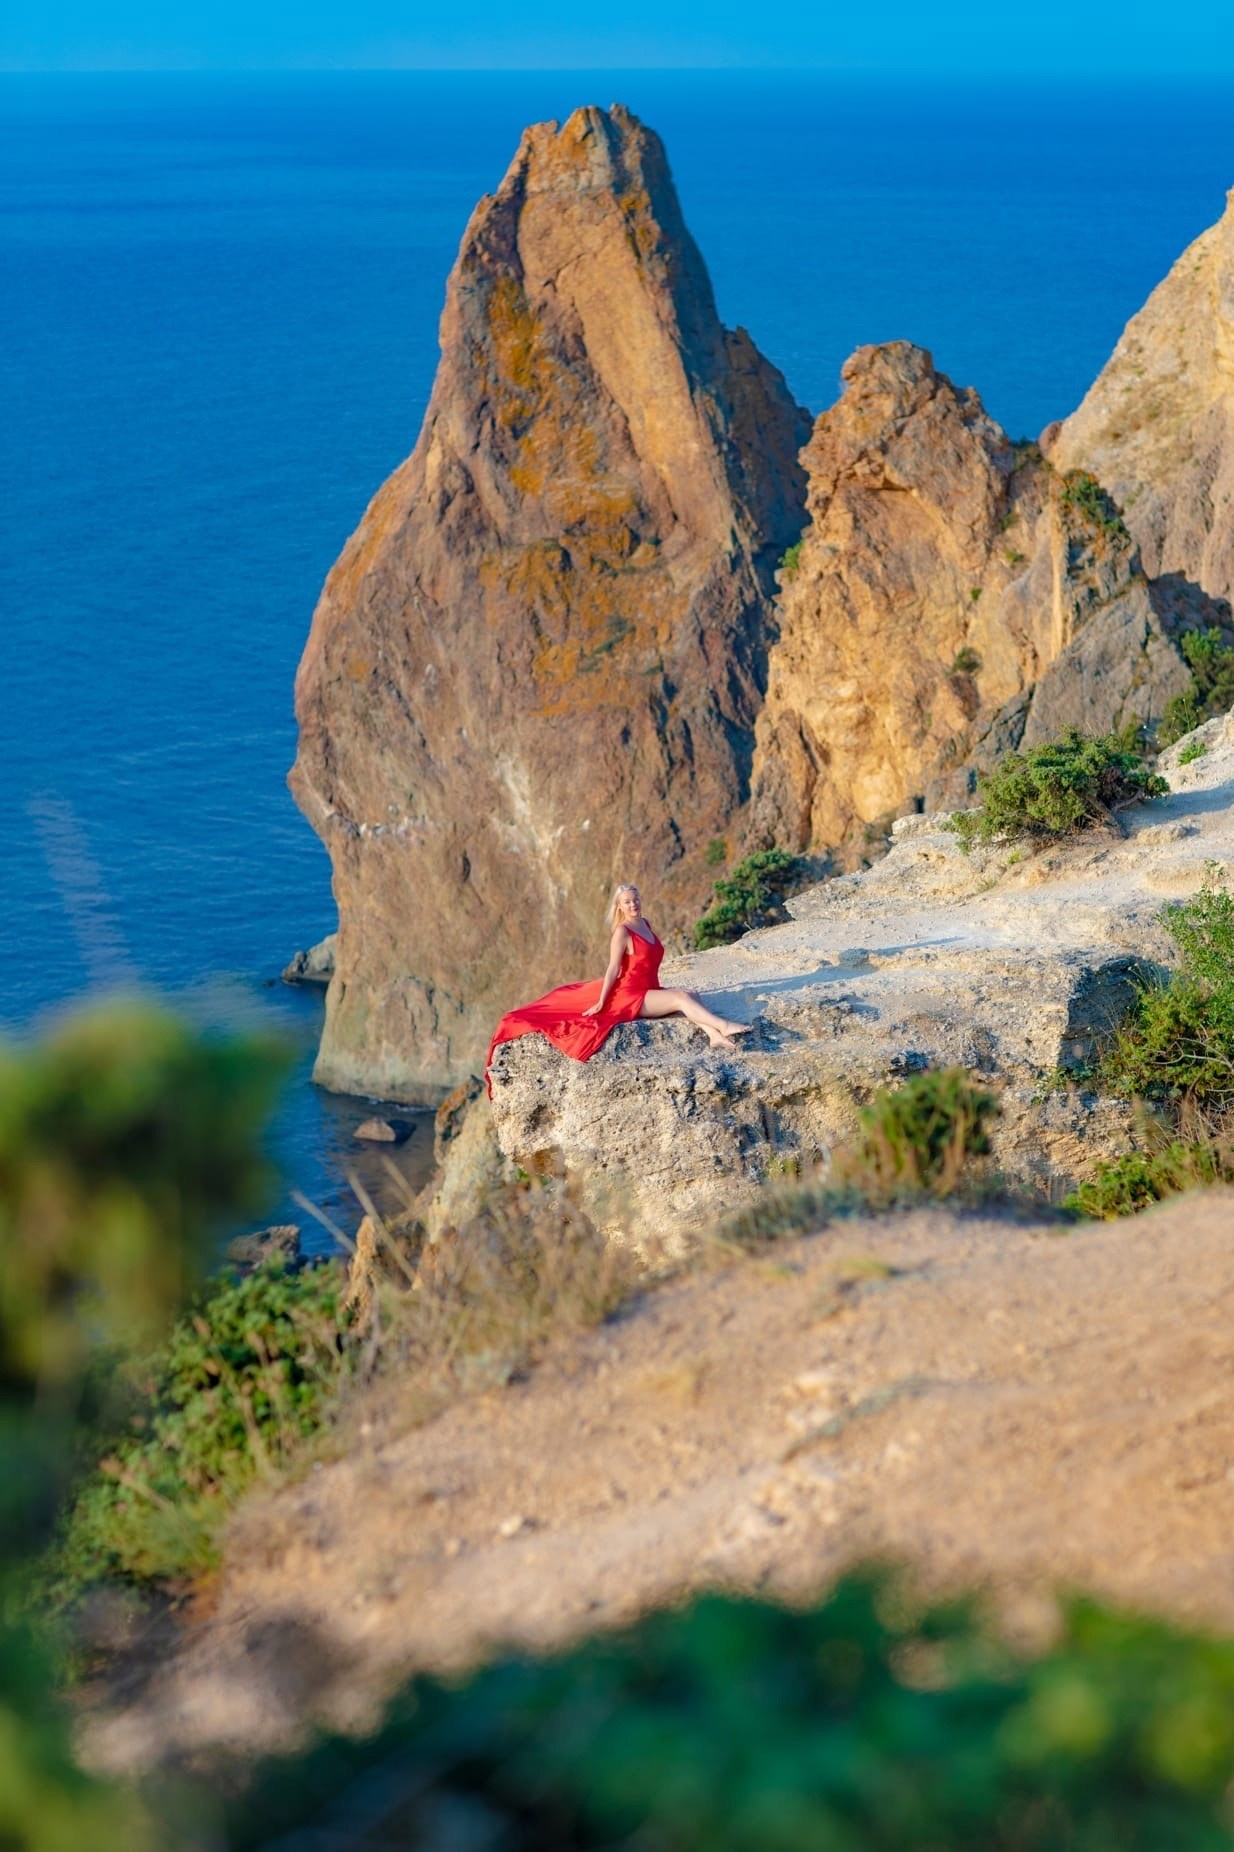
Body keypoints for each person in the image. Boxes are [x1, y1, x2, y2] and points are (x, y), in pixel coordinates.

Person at [485, 883, 751, 1094]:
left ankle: (713, 1035)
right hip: (630, 995)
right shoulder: (622, 932)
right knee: (681, 997)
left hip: (649, 988)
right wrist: (602, 1002)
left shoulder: (645, 924)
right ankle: (723, 1026)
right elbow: (613, 969)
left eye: (635, 900)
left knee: (691, 996)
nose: (633, 904)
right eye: (627, 902)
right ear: (619, 906)